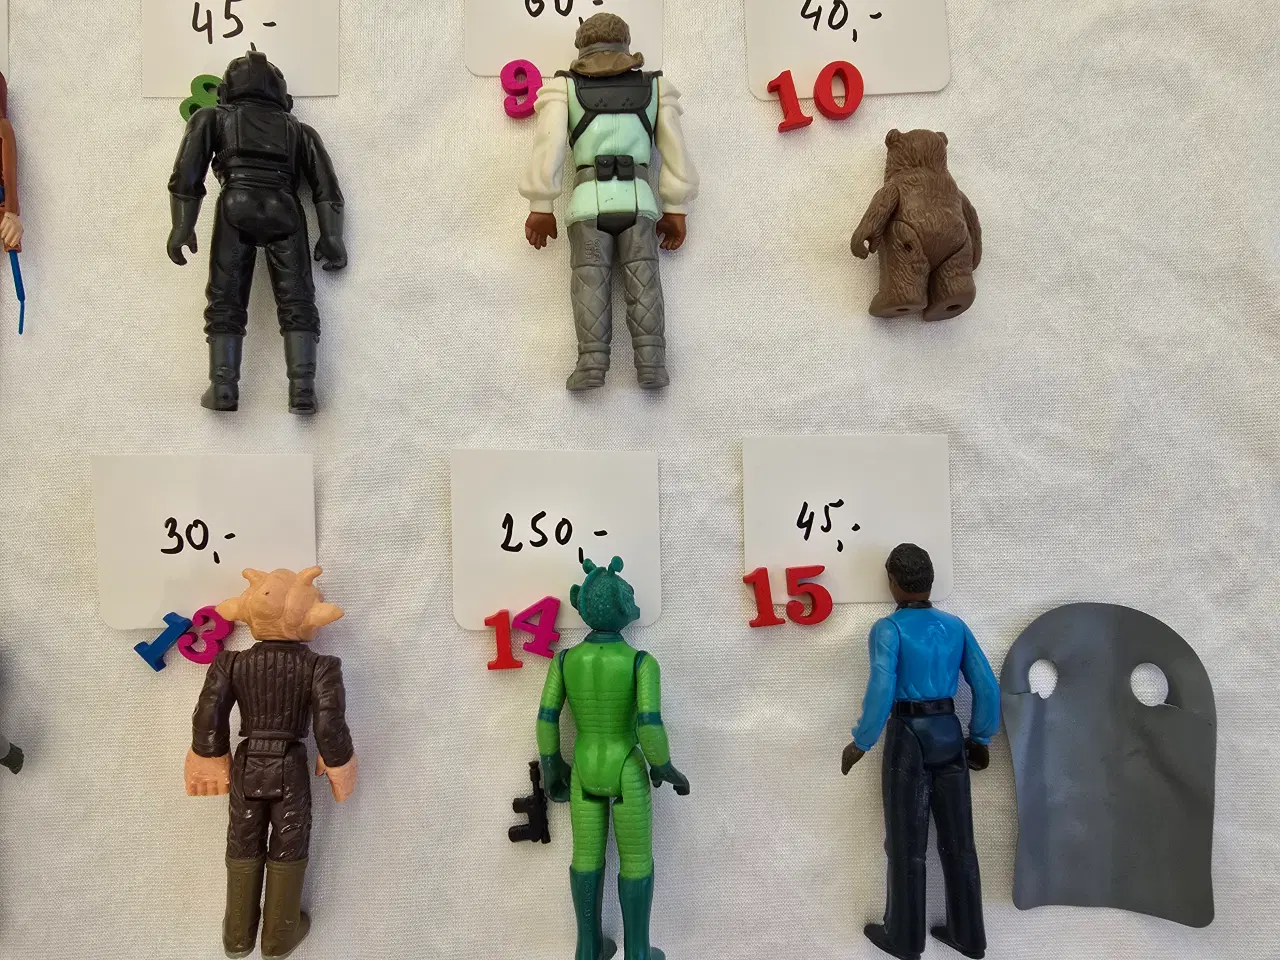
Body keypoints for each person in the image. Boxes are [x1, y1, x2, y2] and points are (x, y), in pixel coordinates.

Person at [520, 13, 698, 391]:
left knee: (589, 282)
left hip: (589, 202)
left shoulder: (563, 89)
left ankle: (592, 363)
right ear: (626, 43)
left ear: (581, 45)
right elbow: (675, 152)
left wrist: (541, 204)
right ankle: (652, 363)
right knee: (645, 282)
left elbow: (548, 148)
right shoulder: (656, 88)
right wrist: (676, 207)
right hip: (638, 201)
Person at [185, 567, 356, 960]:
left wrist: (208, 753)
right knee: (290, 836)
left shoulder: (230, 663)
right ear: (308, 617)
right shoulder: (320, 666)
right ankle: (279, 933)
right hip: (290, 764)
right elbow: (329, 723)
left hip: (248, 761)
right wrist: (339, 760)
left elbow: (209, 712)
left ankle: (237, 934)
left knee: (243, 836)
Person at [842, 544, 1000, 960]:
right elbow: (986, 686)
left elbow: (881, 688)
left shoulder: (889, 629)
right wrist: (980, 738)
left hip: (909, 736)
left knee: (906, 844)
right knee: (960, 842)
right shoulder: (955, 627)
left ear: (892, 582)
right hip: (949, 730)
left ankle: (905, 936)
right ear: (929, 581)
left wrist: (862, 740)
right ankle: (969, 934)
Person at [168, 51, 347, 414]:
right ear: (285, 99)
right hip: (285, 210)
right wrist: (331, 237)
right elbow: (326, 188)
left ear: (225, 93)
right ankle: (303, 387)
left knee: (225, 298)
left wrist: (182, 226)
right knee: (298, 300)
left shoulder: (212, 118)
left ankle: (223, 387)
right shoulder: (300, 131)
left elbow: (187, 175)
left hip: (236, 206)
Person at [536, 556, 690, 960]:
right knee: (636, 859)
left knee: (585, 858)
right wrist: (663, 766)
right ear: (624, 607)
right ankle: (637, 951)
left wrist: (552, 765)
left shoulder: (564, 660)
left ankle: (588, 947)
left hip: (584, 769)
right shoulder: (641, 663)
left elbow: (547, 718)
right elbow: (649, 723)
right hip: (626, 769)